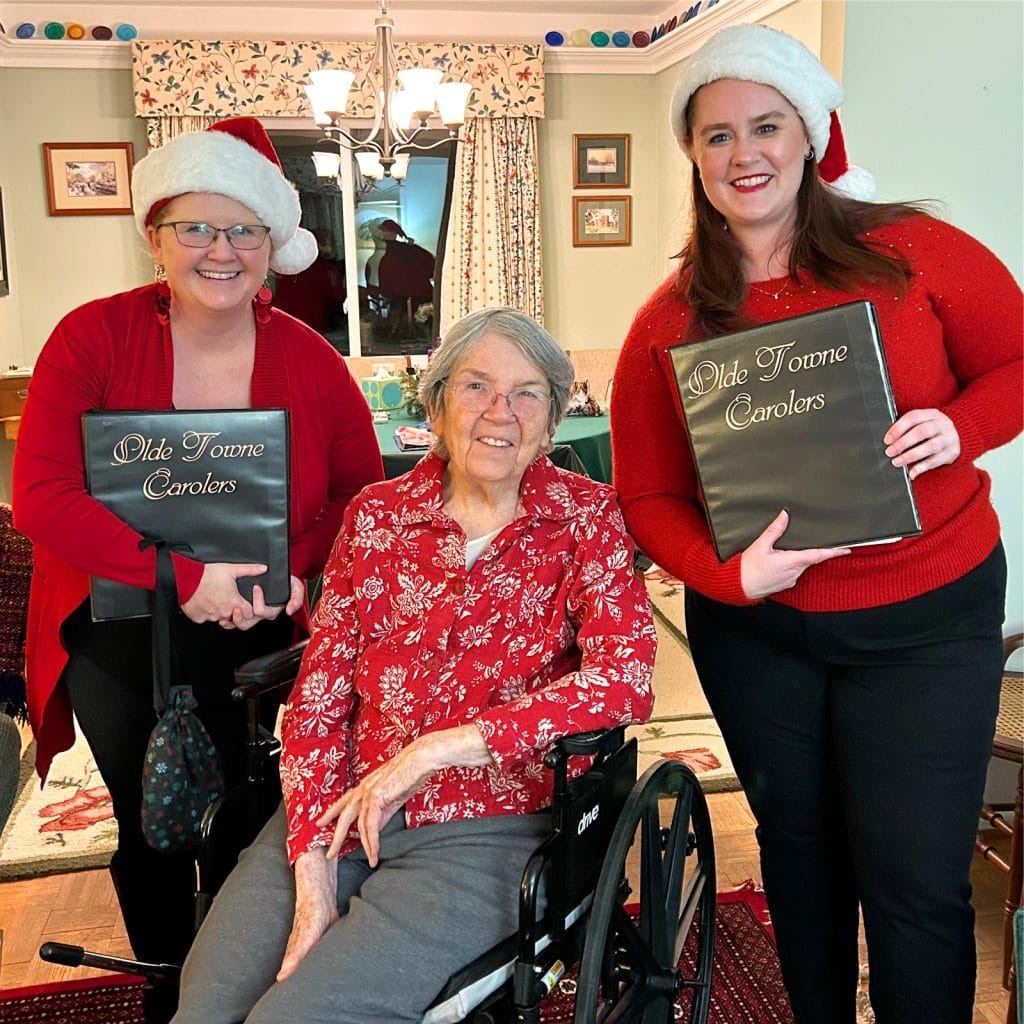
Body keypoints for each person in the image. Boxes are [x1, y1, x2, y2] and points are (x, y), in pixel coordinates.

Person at [610, 24, 1022, 1024]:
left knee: (914, 879)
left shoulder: (914, 255)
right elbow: (648, 496)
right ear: (693, 156)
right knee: (800, 859)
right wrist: (723, 579)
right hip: (762, 635)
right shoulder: (672, 318)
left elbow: (1014, 365)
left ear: (808, 135)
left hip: (926, 617)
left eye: (766, 126)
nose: (742, 153)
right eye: (715, 135)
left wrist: (956, 426)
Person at [170, 307, 657, 1024]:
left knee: (296, 1018)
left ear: (553, 421)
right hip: (337, 811)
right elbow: (316, 700)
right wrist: (312, 872)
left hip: (488, 826)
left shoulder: (586, 519)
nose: (501, 412)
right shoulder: (376, 516)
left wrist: (438, 750)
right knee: (206, 1009)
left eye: (527, 394)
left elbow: (626, 679)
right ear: (434, 405)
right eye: (476, 387)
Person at [12, 117, 384, 1001]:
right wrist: (185, 575)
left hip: (260, 626)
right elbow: (44, 496)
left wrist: (291, 568)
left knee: (254, 819)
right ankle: (166, 994)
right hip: (120, 632)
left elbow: (361, 497)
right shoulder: (90, 338)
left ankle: (242, 983)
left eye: (243, 230)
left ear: (273, 245)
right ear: (156, 237)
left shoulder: (311, 359)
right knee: (151, 827)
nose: (221, 250)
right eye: (197, 228)